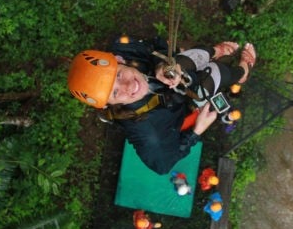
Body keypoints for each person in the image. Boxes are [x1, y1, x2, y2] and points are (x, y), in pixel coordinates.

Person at [68, 36, 256, 175]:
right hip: (181, 105)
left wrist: (160, 64)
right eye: (115, 93)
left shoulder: (124, 49)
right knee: (212, 74)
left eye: (118, 75)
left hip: (177, 79)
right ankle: (242, 72)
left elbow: (158, 43)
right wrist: (196, 131)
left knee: (177, 62)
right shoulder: (146, 133)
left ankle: (215, 51)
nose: (128, 86)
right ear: (107, 105)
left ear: (119, 60)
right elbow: (163, 166)